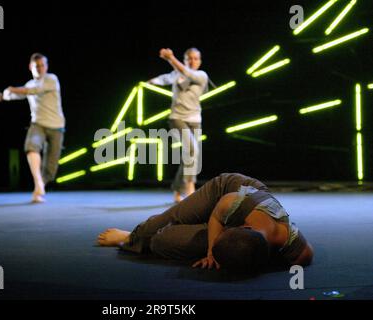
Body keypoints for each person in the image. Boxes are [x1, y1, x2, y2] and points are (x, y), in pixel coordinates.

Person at [97, 173, 314, 275]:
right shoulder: (235, 202)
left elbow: (302, 257)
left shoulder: (295, 248)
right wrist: (211, 251)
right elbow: (217, 217)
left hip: (240, 230)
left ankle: (154, 240)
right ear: (244, 228)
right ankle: (130, 238)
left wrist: (244, 259)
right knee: (164, 223)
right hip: (225, 192)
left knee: (163, 241)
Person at [0, 53, 65, 203]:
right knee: (31, 146)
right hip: (38, 124)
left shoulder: (51, 79)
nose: (40, 69)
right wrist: (2, 96)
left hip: (57, 126)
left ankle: (39, 187)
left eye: (43, 66)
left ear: (47, 66)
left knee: (50, 169)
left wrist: (12, 88)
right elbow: (16, 94)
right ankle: (38, 184)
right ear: (31, 67)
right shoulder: (29, 84)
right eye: (37, 66)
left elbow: (34, 90)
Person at [148, 48, 208, 203]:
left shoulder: (201, 75)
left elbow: (189, 74)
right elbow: (164, 79)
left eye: (196, 58)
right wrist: (150, 82)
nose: (192, 61)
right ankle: (190, 189)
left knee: (191, 155)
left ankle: (177, 189)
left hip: (195, 119)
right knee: (192, 149)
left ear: (200, 61)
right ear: (185, 59)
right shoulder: (176, 74)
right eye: (189, 58)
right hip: (177, 118)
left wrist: (170, 58)